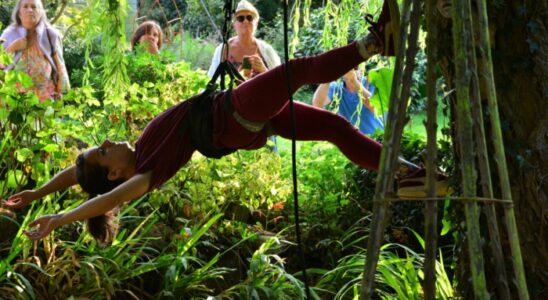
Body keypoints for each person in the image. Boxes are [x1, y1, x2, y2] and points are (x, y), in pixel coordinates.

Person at [2, 5, 443, 243]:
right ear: (115, 172)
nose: (105, 142)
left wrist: (42, 192)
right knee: (298, 70)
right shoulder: (143, 175)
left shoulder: (137, 152)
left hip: (241, 122)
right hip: (230, 114)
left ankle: (409, 175)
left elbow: (80, 176)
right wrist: (60, 219)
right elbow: (104, 198)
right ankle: (375, 42)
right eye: (102, 152)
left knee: (334, 128)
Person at [207, 0, 281, 151]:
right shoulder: (223, 49)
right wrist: (239, 75)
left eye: (250, 18)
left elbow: (280, 83)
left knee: (268, 157)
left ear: (256, 22)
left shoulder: (266, 50)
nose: (245, 21)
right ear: (234, 24)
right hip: (231, 114)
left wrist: (264, 71)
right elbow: (212, 81)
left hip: (261, 114)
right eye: (240, 18)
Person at [0, 0, 70, 101]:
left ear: (41, 12)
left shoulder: (51, 35)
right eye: (25, 7)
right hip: (13, 100)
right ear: (19, 13)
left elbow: (60, 67)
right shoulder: (9, 34)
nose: (29, 10)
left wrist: (61, 97)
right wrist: (13, 47)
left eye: (34, 7)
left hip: (44, 101)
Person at [313, 65, 384, 136]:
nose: (351, 71)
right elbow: (317, 104)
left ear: (361, 70)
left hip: (377, 139)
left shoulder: (370, 83)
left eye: (355, 68)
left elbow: (375, 108)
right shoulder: (336, 88)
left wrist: (355, 82)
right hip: (353, 142)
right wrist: (328, 77)